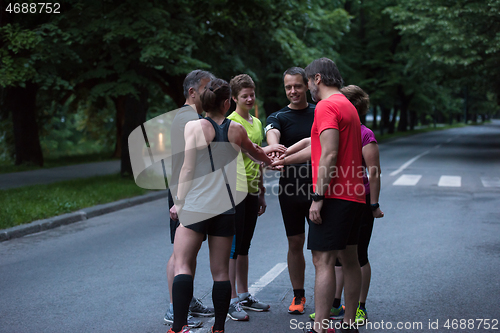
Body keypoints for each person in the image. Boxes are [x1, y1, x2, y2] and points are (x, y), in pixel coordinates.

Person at [272, 85, 384, 329]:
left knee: (344, 258)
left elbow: (371, 171)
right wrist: (282, 158)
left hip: (347, 198)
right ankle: (342, 311)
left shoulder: (357, 132)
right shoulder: (341, 127)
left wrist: (373, 204)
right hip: (348, 198)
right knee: (343, 259)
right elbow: (310, 143)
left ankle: (342, 316)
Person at [167, 78, 272, 333]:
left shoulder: (194, 127)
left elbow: (188, 168)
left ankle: (179, 326)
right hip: (225, 206)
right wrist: (275, 156)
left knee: (182, 264)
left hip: (196, 204)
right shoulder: (236, 129)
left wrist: (178, 202)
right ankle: (219, 327)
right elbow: (256, 153)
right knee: (221, 272)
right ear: (227, 103)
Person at [225, 74, 284, 321]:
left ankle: (244, 294)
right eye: (244, 96)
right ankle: (228, 301)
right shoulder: (230, 123)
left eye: (252, 94)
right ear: (233, 98)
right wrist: (267, 153)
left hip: (251, 190)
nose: (249, 99)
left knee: (245, 245)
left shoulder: (257, 123)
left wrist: (261, 193)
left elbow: (258, 163)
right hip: (234, 190)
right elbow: (249, 154)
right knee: (232, 248)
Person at [164, 70, 216, 328]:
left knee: (188, 251)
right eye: (207, 88)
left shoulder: (191, 117)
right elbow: (186, 164)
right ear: (192, 92)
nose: (211, 93)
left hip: (191, 192)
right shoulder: (187, 119)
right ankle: (175, 308)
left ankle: (187, 301)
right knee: (180, 252)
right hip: (184, 192)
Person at [331, 85, 384, 327]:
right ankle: (335, 304)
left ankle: (360, 307)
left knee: (358, 255)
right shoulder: (336, 132)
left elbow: (374, 173)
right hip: (339, 200)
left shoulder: (365, 135)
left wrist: (373, 203)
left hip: (360, 201)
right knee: (337, 257)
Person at [265, 67, 315, 315]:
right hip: (291, 190)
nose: (293, 91)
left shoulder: (321, 112)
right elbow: (272, 133)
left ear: (306, 85)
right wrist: (274, 148)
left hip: (321, 188)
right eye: (288, 87)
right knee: (295, 242)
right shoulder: (279, 117)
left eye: (297, 86)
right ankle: (298, 296)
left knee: (322, 247)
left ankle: (333, 299)